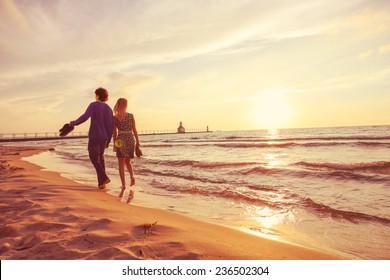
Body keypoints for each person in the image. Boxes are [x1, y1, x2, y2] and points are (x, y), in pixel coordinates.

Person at [70, 87, 114, 190]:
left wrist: (73, 123)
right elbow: (110, 125)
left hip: (95, 136)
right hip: (104, 137)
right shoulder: (108, 109)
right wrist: (109, 139)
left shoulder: (93, 105)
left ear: (97, 95)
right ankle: (101, 184)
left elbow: (85, 117)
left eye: (95, 95)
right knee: (101, 158)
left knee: (94, 158)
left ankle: (104, 178)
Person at [112, 98, 140, 200]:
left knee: (121, 164)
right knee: (128, 162)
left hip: (120, 139)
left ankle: (123, 185)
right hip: (130, 139)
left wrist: (114, 144)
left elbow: (114, 132)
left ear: (118, 105)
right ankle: (132, 176)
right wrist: (137, 141)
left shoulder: (115, 118)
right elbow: (134, 130)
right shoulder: (131, 116)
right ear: (126, 105)